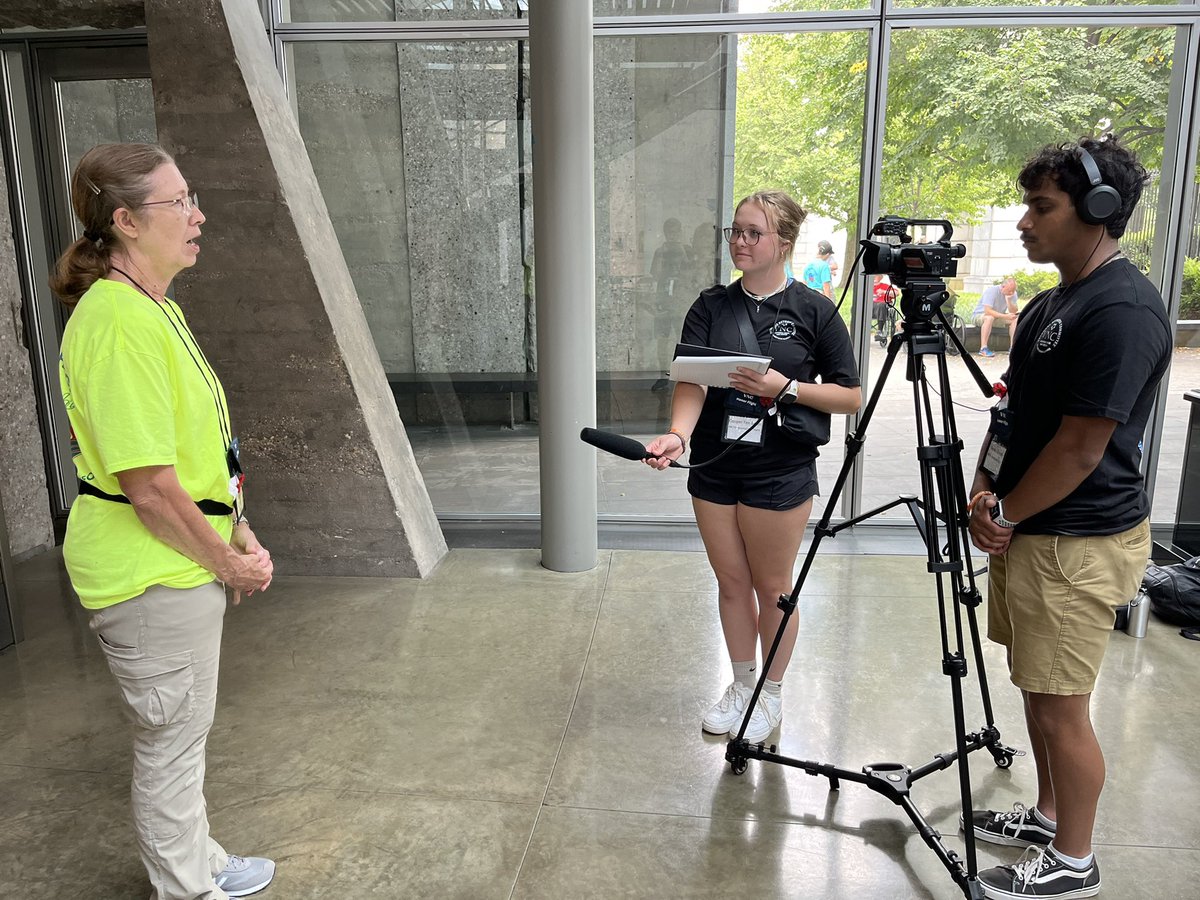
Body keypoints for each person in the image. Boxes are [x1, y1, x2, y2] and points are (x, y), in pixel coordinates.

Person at [51, 143, 277, 900]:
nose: (197, 215)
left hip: (176, 560)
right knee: (171, 744)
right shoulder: (118, 324)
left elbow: (194, 449)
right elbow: (147, 487)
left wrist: (236, 527)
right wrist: (226, 561)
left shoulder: (153, 309)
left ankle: (199, 860)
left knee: (183, 735)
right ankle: (185, 888)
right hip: (148, 570)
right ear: (125, 221)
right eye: (179, 201)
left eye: (192, 196)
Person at [965, 136, 1171, 900]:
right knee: (1038, 689)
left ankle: (1074, 861)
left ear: (1099, 210)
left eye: (1041, 207)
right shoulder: (1054, 301)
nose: (1024, 221)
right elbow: (1015, 412)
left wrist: (1008, 511)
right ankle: (1050, 817)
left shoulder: (1123, 309)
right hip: (1030, 529)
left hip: (1075, 540)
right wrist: (984, 486)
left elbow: (1083, 446)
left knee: (1061, 708)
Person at [643, 191, 861, 743]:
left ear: (783, 242)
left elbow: (850, 396)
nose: (739, 241)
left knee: (773, 587)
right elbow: (691, 380)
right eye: (735, 231)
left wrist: (786, 387)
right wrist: (678, 435)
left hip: (780, 469)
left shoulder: (814, 311)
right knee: (731, 582)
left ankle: (771, 693)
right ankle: (743, 685)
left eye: (753, 233)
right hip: (715, 463)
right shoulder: (710, 306)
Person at [973, 277, 1020, 357]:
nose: (1011, 292)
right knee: (989, 318)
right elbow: (988, 311)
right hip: (980, 315)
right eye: (1009, 290)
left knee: (1015, 320)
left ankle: (1012, 348)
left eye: (1013, 290)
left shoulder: (1012, 293)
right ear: (1003, 287)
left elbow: (1013, 311)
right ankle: (983, 348)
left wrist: (1008, 300)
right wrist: (1005, 316)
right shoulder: (991, 291)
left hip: (997, 317)